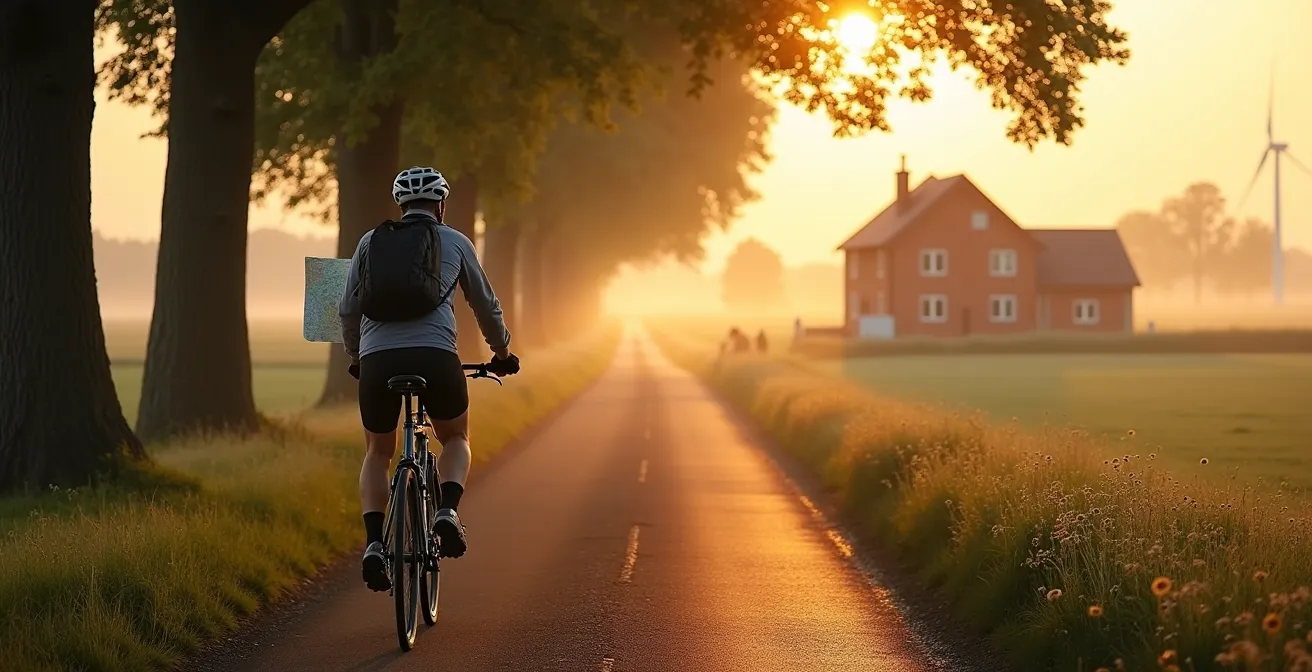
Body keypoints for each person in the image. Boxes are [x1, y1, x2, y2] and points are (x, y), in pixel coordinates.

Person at [339, 166, 519, 592]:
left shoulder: (369, 242)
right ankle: (447, 511)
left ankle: (374, 544)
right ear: (441, 205)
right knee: (456, 438)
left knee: (377, 452)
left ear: (401, 205)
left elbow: (347, 309)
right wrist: (502, 353)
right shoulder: (455, 241)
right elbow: (485, 305)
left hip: (377, 362)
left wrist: (358, 357)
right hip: (436, 357)